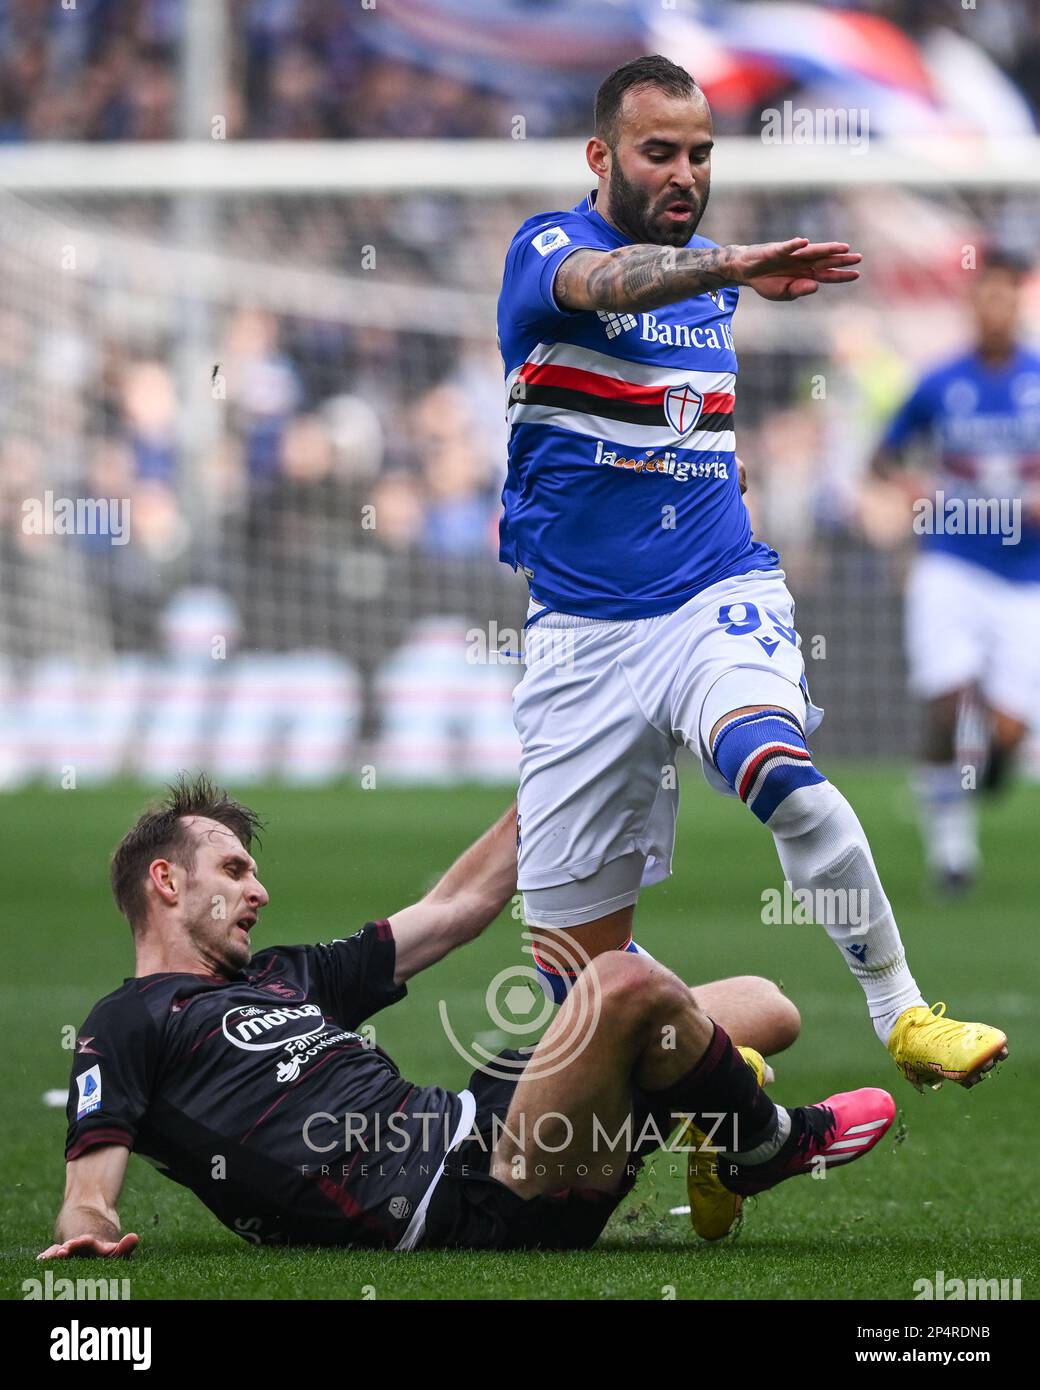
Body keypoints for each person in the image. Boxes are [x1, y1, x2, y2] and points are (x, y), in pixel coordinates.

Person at [495, 54, 1008, 1235]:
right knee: (574, 1007)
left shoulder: (709, 286)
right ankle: (725, 1114)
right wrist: (732, 262)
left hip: (712, 596)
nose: (683, 175)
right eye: (657, 153)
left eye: (700, 154)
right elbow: (599, 281)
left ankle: (901, 1012)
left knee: (775, 768)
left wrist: (727, 273)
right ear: (598, 158)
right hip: (578, 642)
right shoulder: (545, 251)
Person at [39, 774, 894, 1259]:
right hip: (458, 1200)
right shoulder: (127, 1021)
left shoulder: (285, 974)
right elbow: (89, 1185)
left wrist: (565, 769)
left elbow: (455, 906)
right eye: (233, 868)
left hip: (486, 1124)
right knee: (619, 986)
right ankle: (767, 1141)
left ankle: (715, 1116)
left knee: (764, 1008)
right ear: (166, 882)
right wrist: (88, 1232)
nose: (258, 889)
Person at [870, 248, 1040, 891]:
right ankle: (952, 855)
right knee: (945, 701)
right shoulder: (940, 383)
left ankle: (991, 762)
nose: (993, 307)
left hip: (1027, 574)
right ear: (972, 302)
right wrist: (909, 485)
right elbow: (882, 458)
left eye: (1004, 294)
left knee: (1009, 730)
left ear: (1017, 301)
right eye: (983, 294)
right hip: (952, 561)